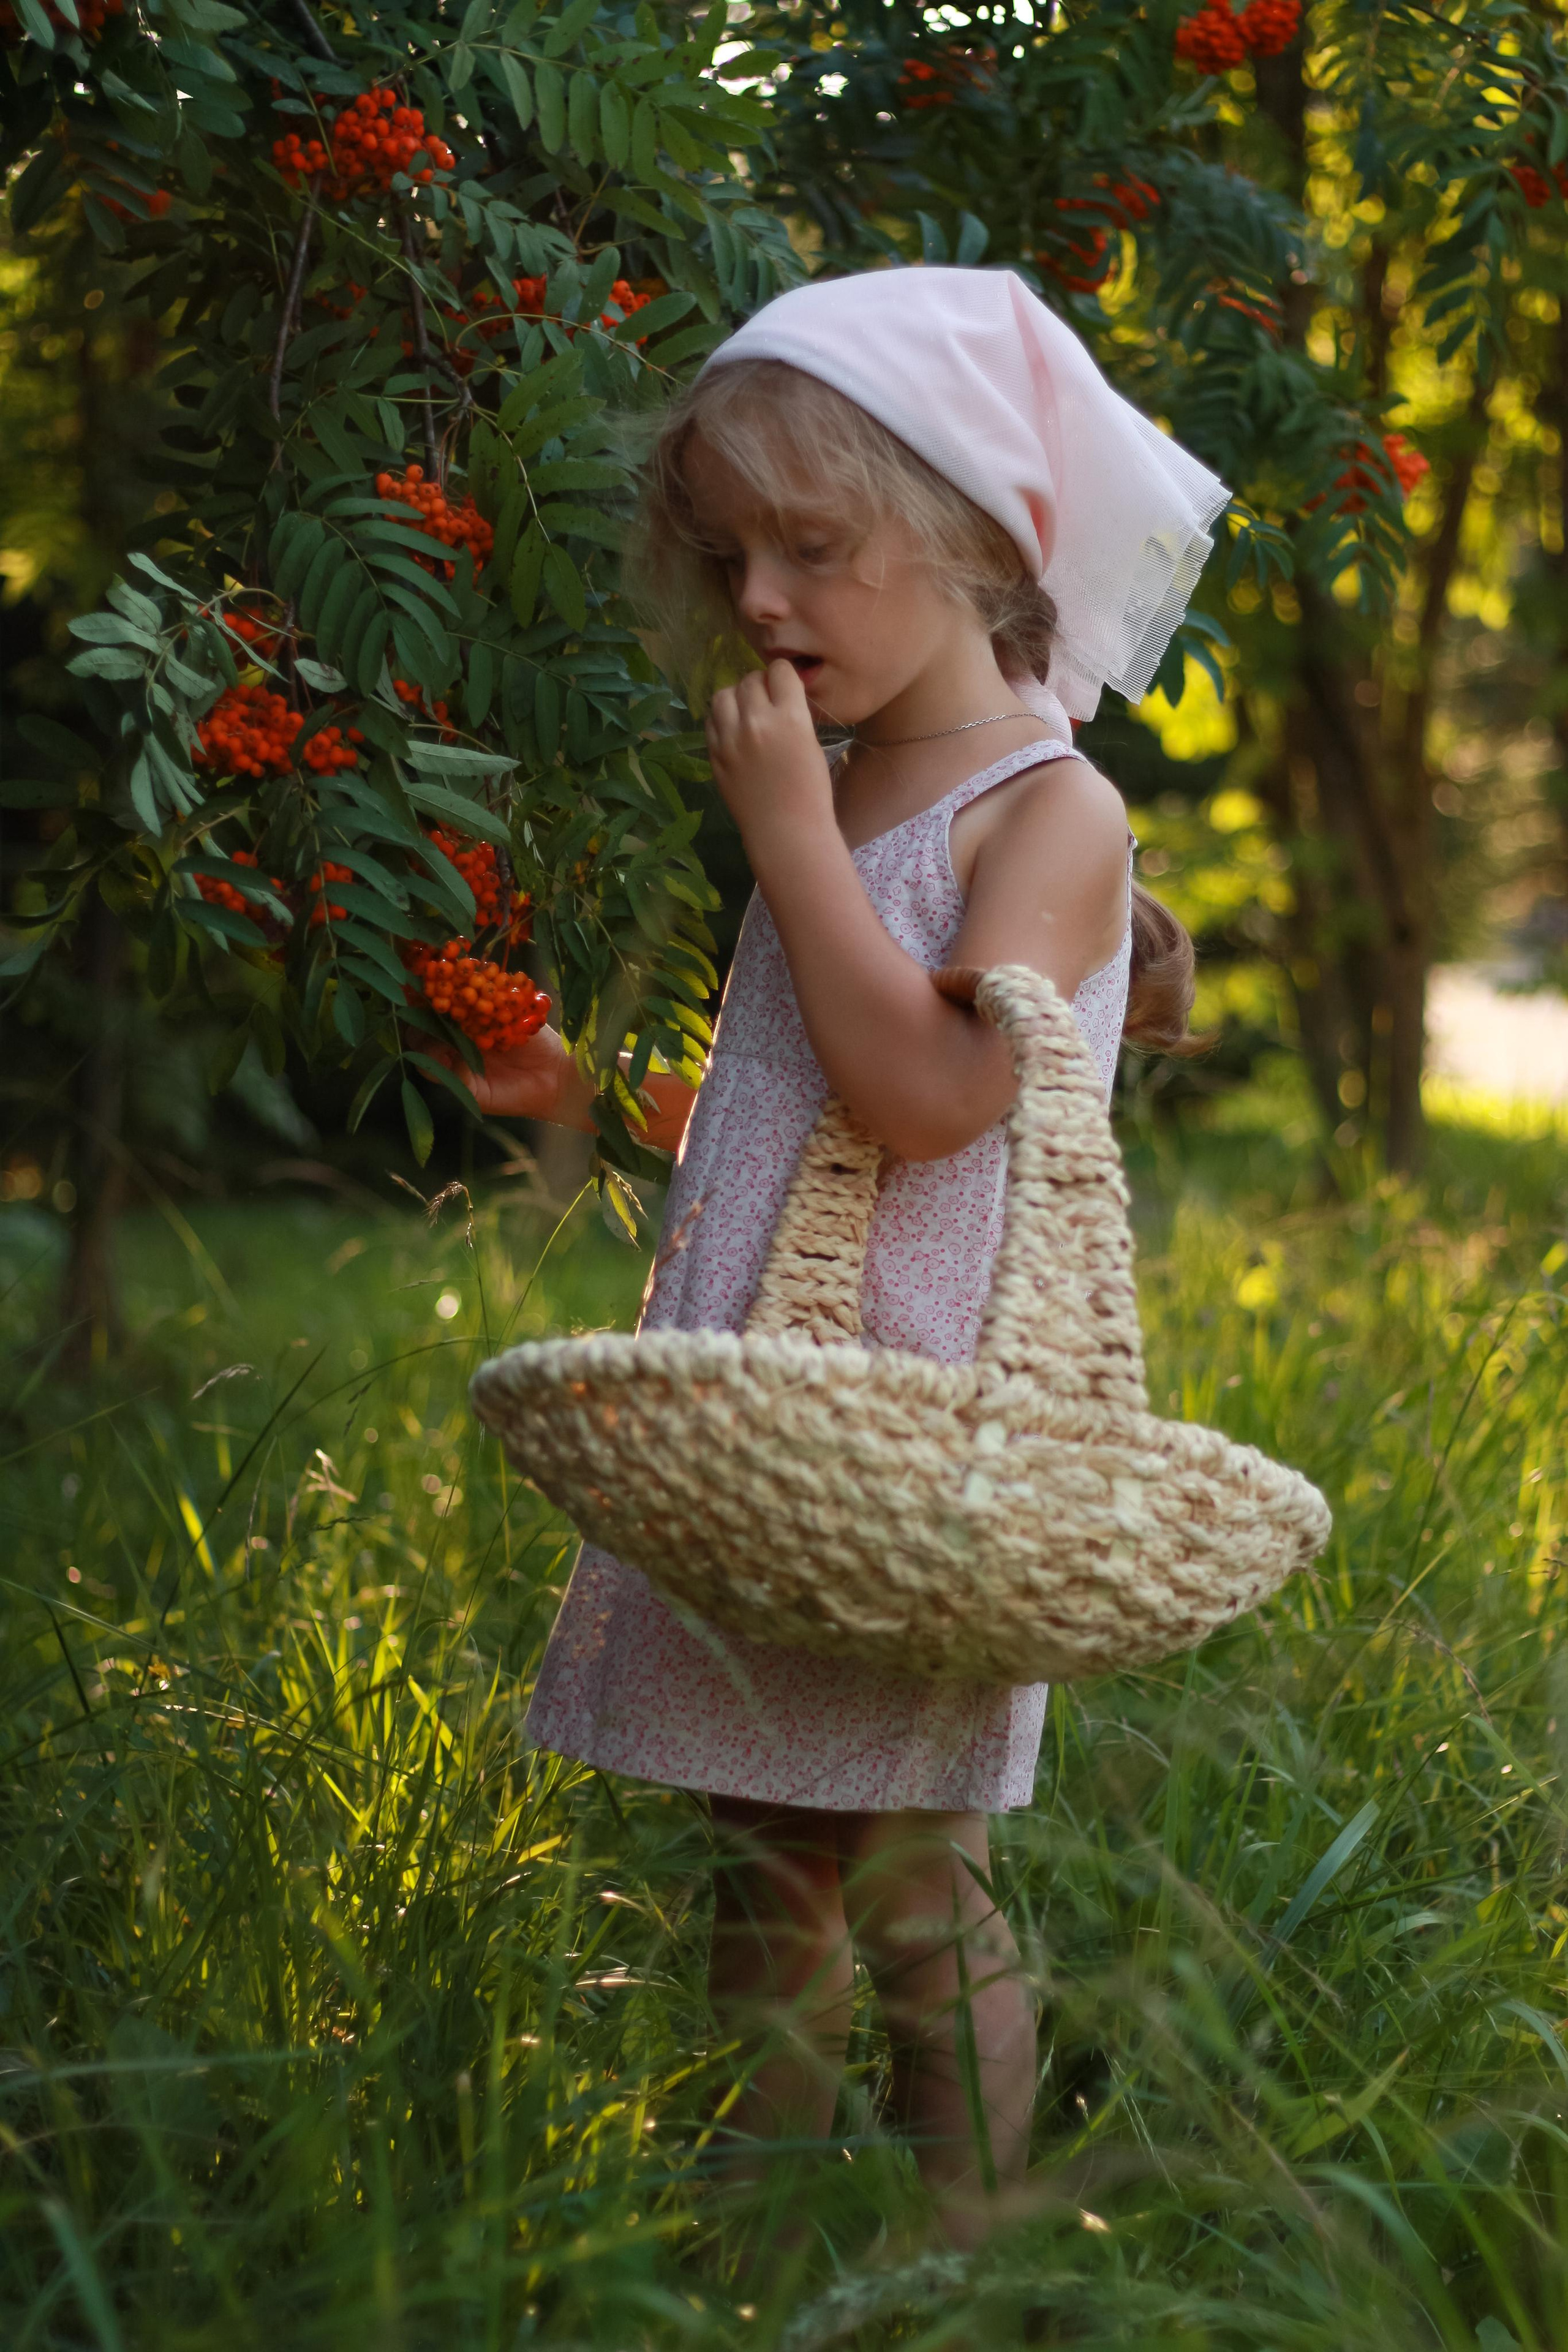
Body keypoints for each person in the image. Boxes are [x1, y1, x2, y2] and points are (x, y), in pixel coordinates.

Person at [463, 267, 1227, 2249]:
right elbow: (795, 1093)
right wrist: (600, 1096)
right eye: (732, 557)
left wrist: (793, 841)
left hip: (913, 1432)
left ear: (981, 542)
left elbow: (926, 1104)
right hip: (775, 1405)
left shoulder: (1050, 812)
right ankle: (753, 2226)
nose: (765, 602)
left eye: (816, 547)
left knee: (904, 1862)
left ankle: (978, 2232)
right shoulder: (846, 770)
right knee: (758, 1855)